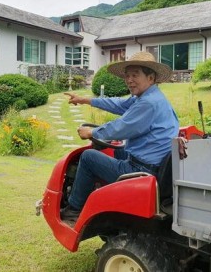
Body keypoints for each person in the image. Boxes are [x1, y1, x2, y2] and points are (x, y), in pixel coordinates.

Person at [61, 51, 179, 222]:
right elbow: (119, 104)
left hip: (143, 172)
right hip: (156, 165)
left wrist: (92, 132)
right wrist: (86, 100)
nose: (129, 80)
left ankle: (74, 208)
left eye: (135, 75)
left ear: (151, 78)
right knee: (119, 149)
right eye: (127, 75)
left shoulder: (148, 103)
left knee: (88, 157)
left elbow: (121, 127)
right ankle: (108, 198)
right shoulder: (148, 96)